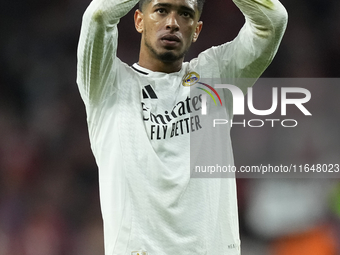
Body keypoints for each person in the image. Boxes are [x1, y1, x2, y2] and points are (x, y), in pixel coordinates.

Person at [76, 0, 287, 254]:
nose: (172, 23)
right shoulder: (106, 85)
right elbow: (98, 15)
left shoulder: (216, 75)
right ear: (139, 21)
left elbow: (273, 21)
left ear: (196, 30)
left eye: (185, 14)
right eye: (161, 10)